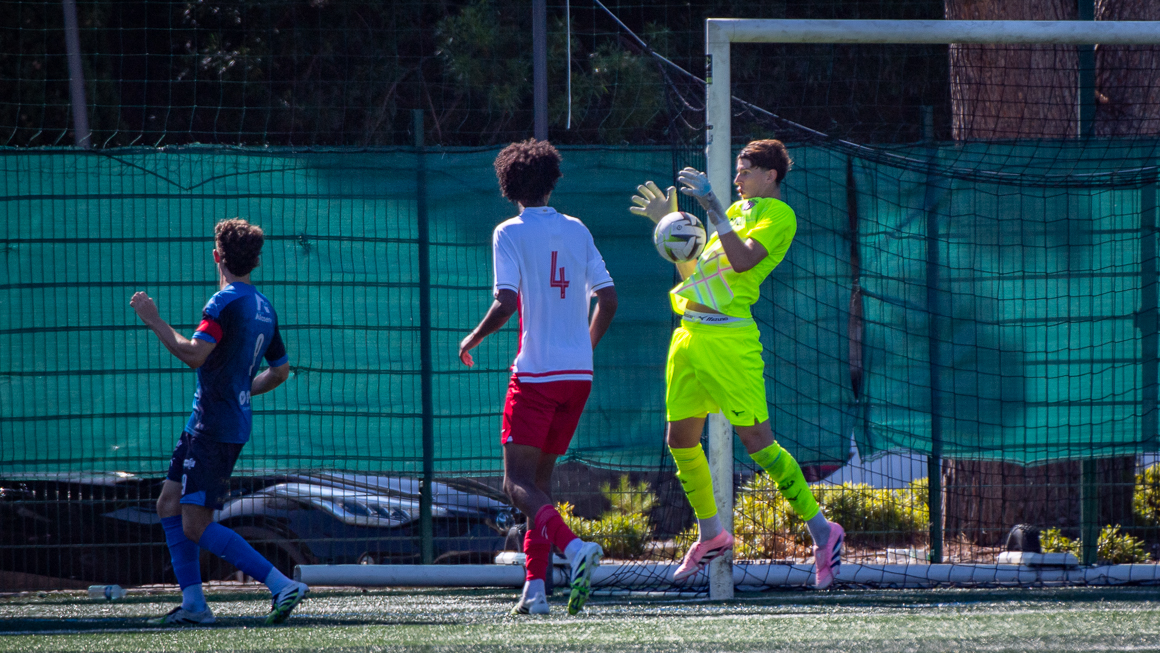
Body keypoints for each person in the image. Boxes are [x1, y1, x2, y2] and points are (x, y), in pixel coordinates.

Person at [629, 139, 845, 589]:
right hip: (689, 333)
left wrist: (711, 206)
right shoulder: (736, 215)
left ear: (771, 176)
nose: (736, 179)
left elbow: (744, 263)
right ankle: (713, 534)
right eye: (737, 172)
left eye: (745, 171)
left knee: (760, 444)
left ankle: (823, 531)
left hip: (729, 340)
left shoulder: (777, 216)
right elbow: (696, 277)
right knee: (680, 439)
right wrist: (666, 228)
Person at [459, 139, 618, 615]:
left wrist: (472, 338)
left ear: (508, 186)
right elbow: (607, 299)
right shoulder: (577, 229)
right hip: (577, 377)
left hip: (535, 376)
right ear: (553, 180)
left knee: (515, 485)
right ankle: (536, 588)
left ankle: (573, 547)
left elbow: (506, 301)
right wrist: (582, 349)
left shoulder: (509, 231)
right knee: (539, 487)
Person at [130, 218, 308, 625]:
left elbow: (195, 353)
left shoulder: (223, 302)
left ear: (217, 256)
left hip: (215, 426)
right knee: (168, 504)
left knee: (194, 523)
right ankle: (194, 604)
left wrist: (153, 318)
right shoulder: (264, 307)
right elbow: (280, 372)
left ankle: (281, 583)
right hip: (209, 422)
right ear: (256, 261)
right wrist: (243, 390)